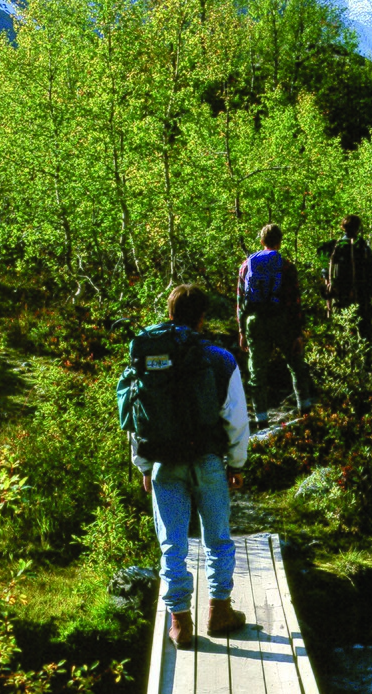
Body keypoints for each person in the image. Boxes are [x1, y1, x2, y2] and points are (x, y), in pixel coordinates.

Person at [130, 284, 250, 650]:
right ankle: (219, 611)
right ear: (202, 317)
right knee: (217, 540)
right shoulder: (220, 358)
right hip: (209, 460)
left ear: (169, 313)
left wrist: (144, 466)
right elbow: (236, 418)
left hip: (164, 464)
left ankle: (180, 623)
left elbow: (139, 417)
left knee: (173, 546)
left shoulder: (149, 355)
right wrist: (237, 462)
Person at [237, 223, 314, 430]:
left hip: (254, 322)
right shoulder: (286, 266)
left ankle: (261, 419)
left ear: (261, 242)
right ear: (280, 241)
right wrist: (297, 333)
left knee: (257, 373)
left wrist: (241, 331)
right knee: (296, 365)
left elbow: (240, 300)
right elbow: (294, 301)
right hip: (281, 320)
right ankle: (305, 411)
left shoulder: (246, 265)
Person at [325, 214, 372, 342]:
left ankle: (343, 356)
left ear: (343, 228)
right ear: (358, 228)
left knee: (342, 332)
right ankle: (366, 359)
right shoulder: (364, 248)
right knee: (364, 334)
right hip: (362, 298)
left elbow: (326, 274)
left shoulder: (335, 247)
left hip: (341, 298)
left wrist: (329, 303)